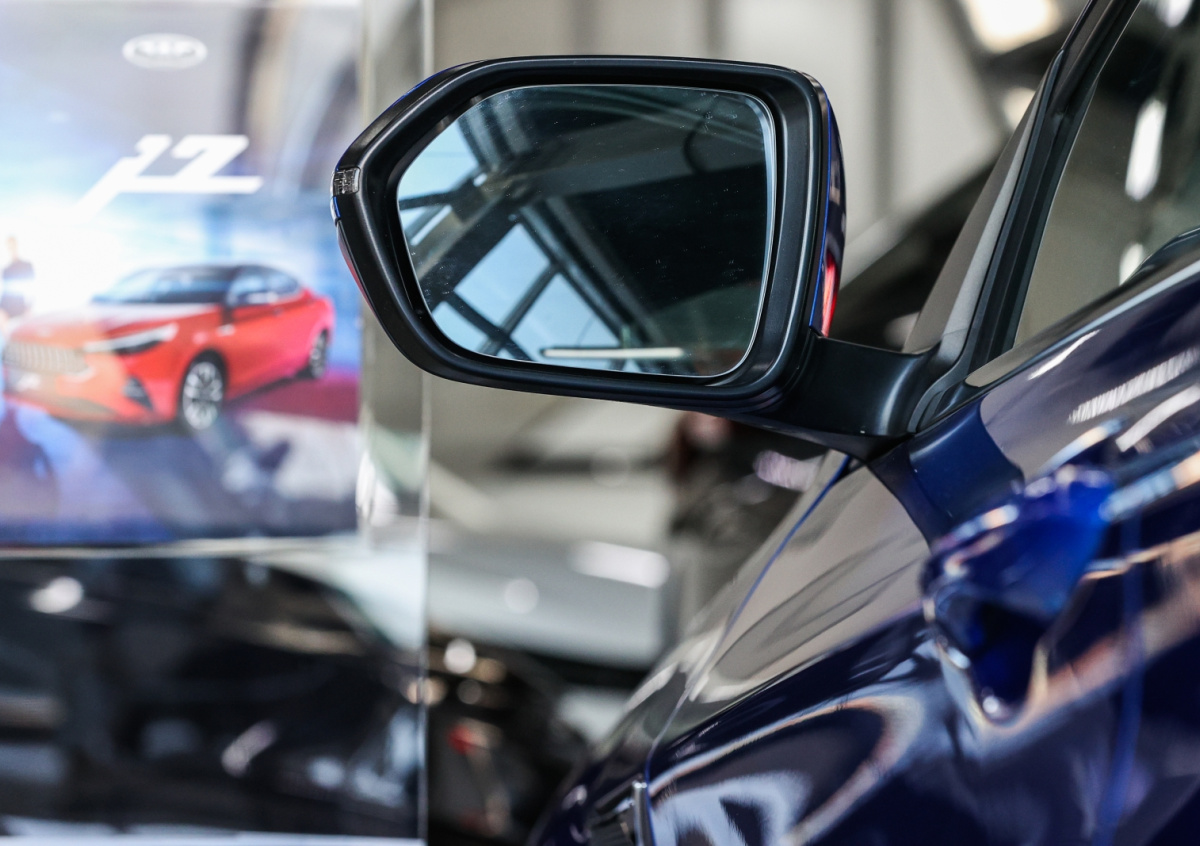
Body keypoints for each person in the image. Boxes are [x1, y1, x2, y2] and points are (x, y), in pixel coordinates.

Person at [1, 235, 35, 321]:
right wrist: (1, 310)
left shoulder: (27, 266)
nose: (11, 249)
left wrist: (29, 308)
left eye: (13, 246)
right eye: (9, 247)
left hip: (23, 311)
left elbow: (32, 290)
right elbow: (5, 294)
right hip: (8, 312)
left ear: (17, 246)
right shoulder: (6, 270)